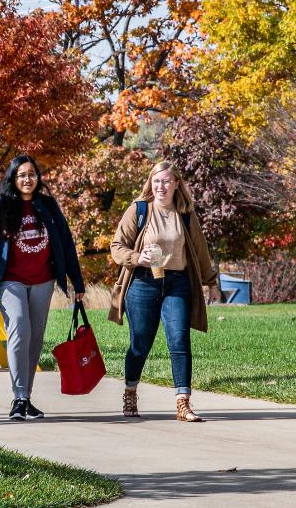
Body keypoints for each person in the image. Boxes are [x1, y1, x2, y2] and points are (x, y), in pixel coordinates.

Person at [109, 160, 221, 423]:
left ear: (176, 184)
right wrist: (138, 257)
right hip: (143, 282)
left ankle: (183, 403)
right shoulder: (138, 210)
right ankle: (130, 392)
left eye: (167, 181)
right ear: (151, 182)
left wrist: (211, 282)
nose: (161, 186)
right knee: (140, 344)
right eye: (157, 181)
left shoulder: (185, 213)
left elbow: (201, 251)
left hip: (177, 283)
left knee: (180, 341)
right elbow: (116, 246)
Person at [0, 154, 85, 421]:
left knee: (35, 338)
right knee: (20, 329)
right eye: (22, 175)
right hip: (10, 280)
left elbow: (65, 243)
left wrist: (76, 281)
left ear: (38, 178)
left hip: (43, 280)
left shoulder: (46, 205)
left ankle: (27, 399)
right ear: (13, 178)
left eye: (32, 174)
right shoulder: (1, 206)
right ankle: (19, 397)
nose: (27, 179)